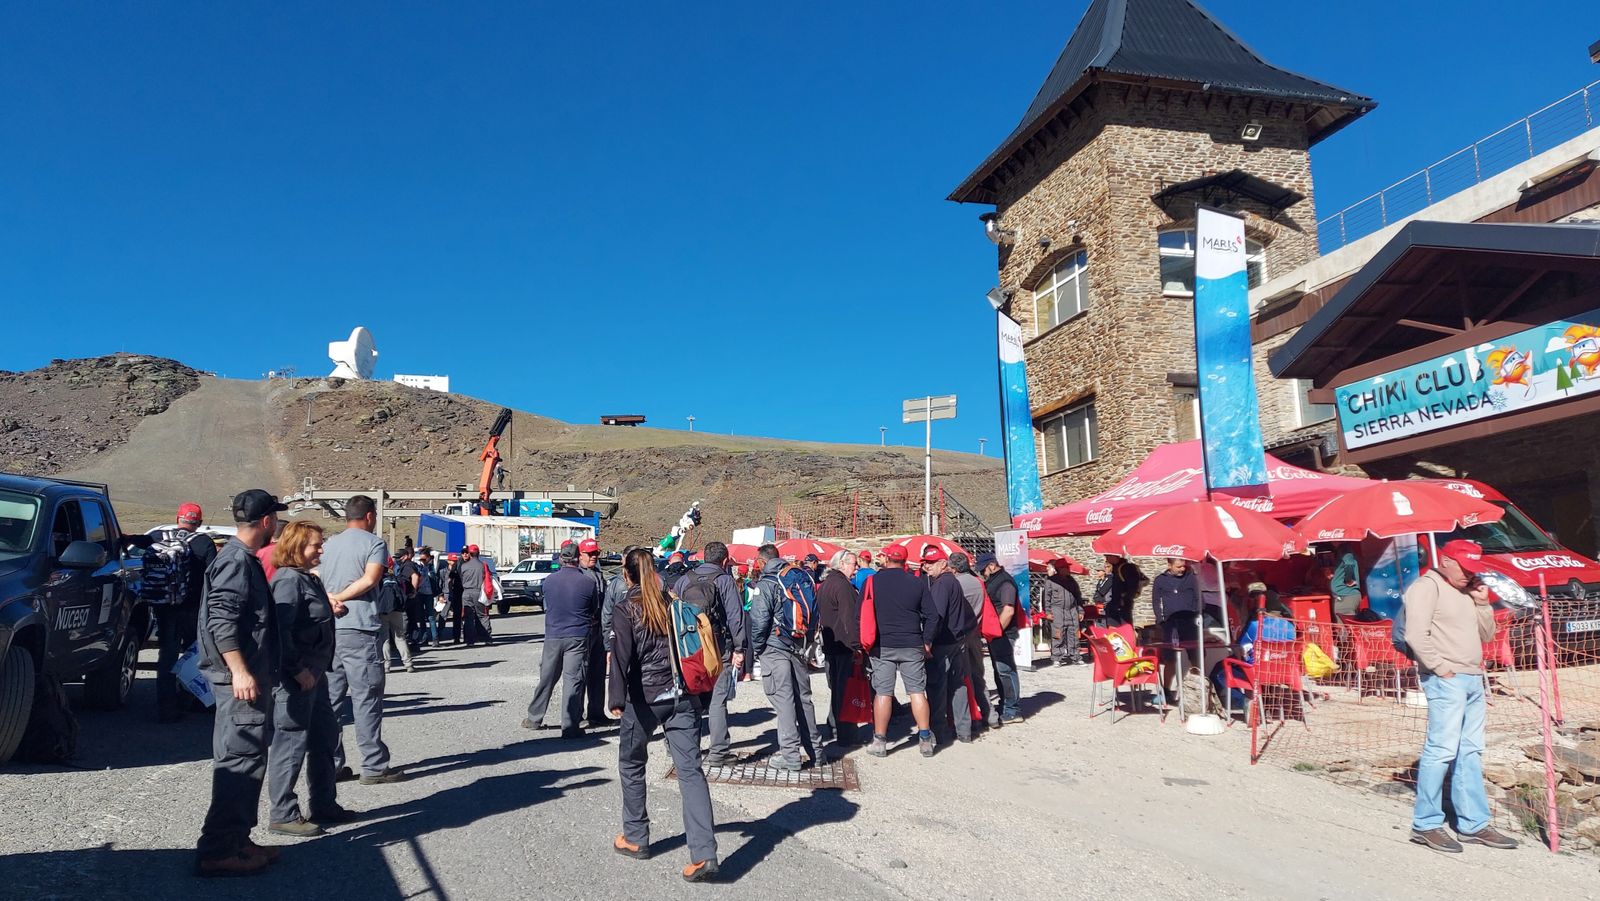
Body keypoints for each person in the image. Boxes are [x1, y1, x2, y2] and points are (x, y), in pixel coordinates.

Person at [608, 549, 718, 882]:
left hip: (646, 699)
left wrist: (615, 700)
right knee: (690, 771)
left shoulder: (626, 608)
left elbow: (621, 658)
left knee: (630, 762)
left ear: (627, 576)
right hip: (682, 695)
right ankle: (704, 854)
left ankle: (636, 837)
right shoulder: (672, 603)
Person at [194, 489, 285, 877]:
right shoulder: (235, 563)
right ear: (266, 522)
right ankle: (218, 849)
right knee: (239, 761)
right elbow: (222, 620)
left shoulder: (239, 559)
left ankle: (238, 840)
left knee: (249, 758)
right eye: (275, 519)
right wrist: (240, 670)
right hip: (240, 681)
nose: (277, 524)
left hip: (247, 677)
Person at [1405, 540, 1517, 854]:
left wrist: (1482, 604)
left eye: (1473, 569)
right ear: (1446, 560)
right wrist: (1441, 669)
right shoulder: (1426, 587)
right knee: (1441, 750)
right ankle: (1425, 824)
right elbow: (1416, 635)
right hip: (1448, 679)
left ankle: (1474, 824)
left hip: (1472, 677)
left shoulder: (1468, 591)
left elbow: (1487, 636)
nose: (1470, 574)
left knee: (1470, 751)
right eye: (1465, 567)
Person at [266, 520, 355, 838]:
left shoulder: (308, 579)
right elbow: (279, 632)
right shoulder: (288, 581)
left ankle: (324, 804)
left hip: (317, 676)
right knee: (290, 743)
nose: (321, 549)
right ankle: (283, 813)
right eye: (315, 545)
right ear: (295, 547)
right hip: (299, 678)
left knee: (324, 738)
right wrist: (296, 669)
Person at [321, 495, 404, 785]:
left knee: (330, 701)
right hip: (359, 629)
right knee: (366, 697)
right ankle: (374, 766)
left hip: (329, 629)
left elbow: (316, 577)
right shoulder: (374, 544)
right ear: (370, 516)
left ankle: (331, 764)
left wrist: (328, 600)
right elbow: (370, 579)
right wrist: (341, 597)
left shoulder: (328, 544)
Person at [748, 543, 823, 770]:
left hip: (775, 645)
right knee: (803, 699)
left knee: (783, 701)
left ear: (761, 562)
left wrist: (758, 648)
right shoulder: (798, 577)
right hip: (797, 643)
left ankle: (790, 755)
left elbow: (759, 621)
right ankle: (816, 752)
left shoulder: (767, 583)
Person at [672, 541, 747, 766]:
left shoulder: (684, 580)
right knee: (717, 700)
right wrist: (739, 648)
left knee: (691, 698)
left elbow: (673, 611)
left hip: (690, 647)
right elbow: (735, 616)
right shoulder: (725, 580)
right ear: (724, 561)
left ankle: (689, 749)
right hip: (718, 647)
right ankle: (719, 752)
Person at [862, 545, 934, 757]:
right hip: (912, 644)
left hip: (882, 646)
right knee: (917, 692)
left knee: (883, 693)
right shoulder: (917, 583)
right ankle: (925, 739)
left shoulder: (872, 582)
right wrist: (927, 640)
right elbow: (932, 615)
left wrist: (863, 645)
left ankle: (880, 741)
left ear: (886, 560)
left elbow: (861, 615)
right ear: (905, 560)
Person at [523, 541, 600, 738]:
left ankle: (534, 718)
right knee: (573, 680)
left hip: (553, 635)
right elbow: (593, 609)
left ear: (561, 558)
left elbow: (546, 605)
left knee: (547, 677)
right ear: (577, 558)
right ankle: (570, 725)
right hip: (578, 635)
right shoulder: (588, 583)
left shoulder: (548, 581)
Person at [152, 502, 218, 723]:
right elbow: (213, 577)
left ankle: (165, 707)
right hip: (193, 609)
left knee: (167, 657)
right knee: (196, 657)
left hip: (165, 608)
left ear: (178, 517)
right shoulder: (204, 543)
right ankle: (194, 700)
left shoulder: (159, 537)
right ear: (198, 522)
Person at [922, 548, 975, 747]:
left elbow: (935, 616)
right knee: (958, 685)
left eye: (932, 562)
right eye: (926, 561)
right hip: (957, 640)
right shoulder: (952, 581)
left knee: (937, 687)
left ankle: (938, 730)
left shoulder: (942, 584)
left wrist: (927, 641)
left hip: (943, 642)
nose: (927, 565)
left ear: (943, 563)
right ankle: (964, 730)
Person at [816, 549, 862, 747]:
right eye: (854, 563)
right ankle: (845, 734)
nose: (857, 567)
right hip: (843, 645)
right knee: (844, 690)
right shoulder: (842, 586)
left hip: (831, 643)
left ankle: (834, 724)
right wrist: (856, 646)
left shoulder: (827, 584)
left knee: (836, 687)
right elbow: (848, 619)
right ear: (842, 564)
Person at [978, 554, 1024, 726]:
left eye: (983, 569)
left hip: (1003, 634)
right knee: (1000, 671)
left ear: (992, 565)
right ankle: (1006, 704)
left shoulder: (1005, 582)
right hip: (996, 633)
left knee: (1006, 670)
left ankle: (1013, 710)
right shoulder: (995, 580)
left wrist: (997, 631)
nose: (982, 572)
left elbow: (1008, 611)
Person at [947, 553, 993, 727]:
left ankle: (971, 719)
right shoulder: (978, 582)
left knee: (962, 679)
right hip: (976, 633)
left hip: (961, 636)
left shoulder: (956, 584)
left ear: (954, 568)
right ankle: (990, 714)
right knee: (978, 676)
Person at [577, 538, 613, 728]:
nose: (593, 557)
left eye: (595, 554)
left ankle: (597, 713)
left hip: (599, 629)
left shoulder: (599, 575)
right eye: (589, 554)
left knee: (598, 673)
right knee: (580, 672)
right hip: (583, 630)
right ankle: (577, 715)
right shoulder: (578, 575)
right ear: (580, 555)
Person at [1151, 557, 1206, 642]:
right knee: (1170, 651)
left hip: (1189, 620)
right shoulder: (1160, 580)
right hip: (1169, 621)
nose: (1182, 569)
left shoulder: (1191, 578)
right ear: (1169, 566)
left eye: (1183, 566)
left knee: (1193, 649)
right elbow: (1156, 600)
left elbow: (1198, 597)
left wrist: (1199, 614)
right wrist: (1160, 620)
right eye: (1178, 567)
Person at [379, 550, 415, 673]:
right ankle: (408, 663)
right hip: (397, 610)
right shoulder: (397, 578)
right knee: (400, 637)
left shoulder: (378, 579)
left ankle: (386, 665)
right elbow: (409, 592)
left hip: (382, 611)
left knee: (385, 638)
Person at [1043, 560, 1084, 666]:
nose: (1068, 570)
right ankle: (1057, 657)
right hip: (1057, 610)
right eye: (1065, 568)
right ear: (1059, 569)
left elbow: (1078, 597)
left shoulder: (1072, 581)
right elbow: (1046, 598)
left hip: (1072, 610)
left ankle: (1075, 656)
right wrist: (1048, 612)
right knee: (1058, 634)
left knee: (1074, 634)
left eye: (1068, 568)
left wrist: (1080, 611)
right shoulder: (1051, 581)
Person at [1095, 555, 1146, 626]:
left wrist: (1124, 599)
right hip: (1115, 606)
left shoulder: (1126, 568)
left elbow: (1132, 587)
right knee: (1113, 631)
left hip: (1122, 606)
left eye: (1107, 556)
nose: (1106, 558)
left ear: (1115, 556)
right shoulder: (1116, 568)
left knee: (1125, 629)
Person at [458, 545, 491, 646]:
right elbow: (488, 578)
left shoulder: (464, 566)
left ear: (469, 553)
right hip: (478, 592)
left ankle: (470, 640)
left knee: (468, 617)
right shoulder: (482, 565)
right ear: (478, 553)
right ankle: (487, 638)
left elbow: (461, 578)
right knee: (482, 615)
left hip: (466, 592)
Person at [413, 547, 438, 647]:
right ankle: (424, 638)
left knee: (431, 617)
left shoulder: (432, 567)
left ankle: (435, 638)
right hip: (420, 594)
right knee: (421, 617)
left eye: (424, 559)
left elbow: (436, 554)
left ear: (428, 558)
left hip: (429, 594)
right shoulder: (418, 567)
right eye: (421, 559)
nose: (422, 561)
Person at [1331, 551, 1363, 617]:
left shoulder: (1344, 550)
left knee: (1343, 623)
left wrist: (1348, 579)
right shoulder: (1339, 551)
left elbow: (1349, 563)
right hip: (1343, 595)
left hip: (1347, 595)